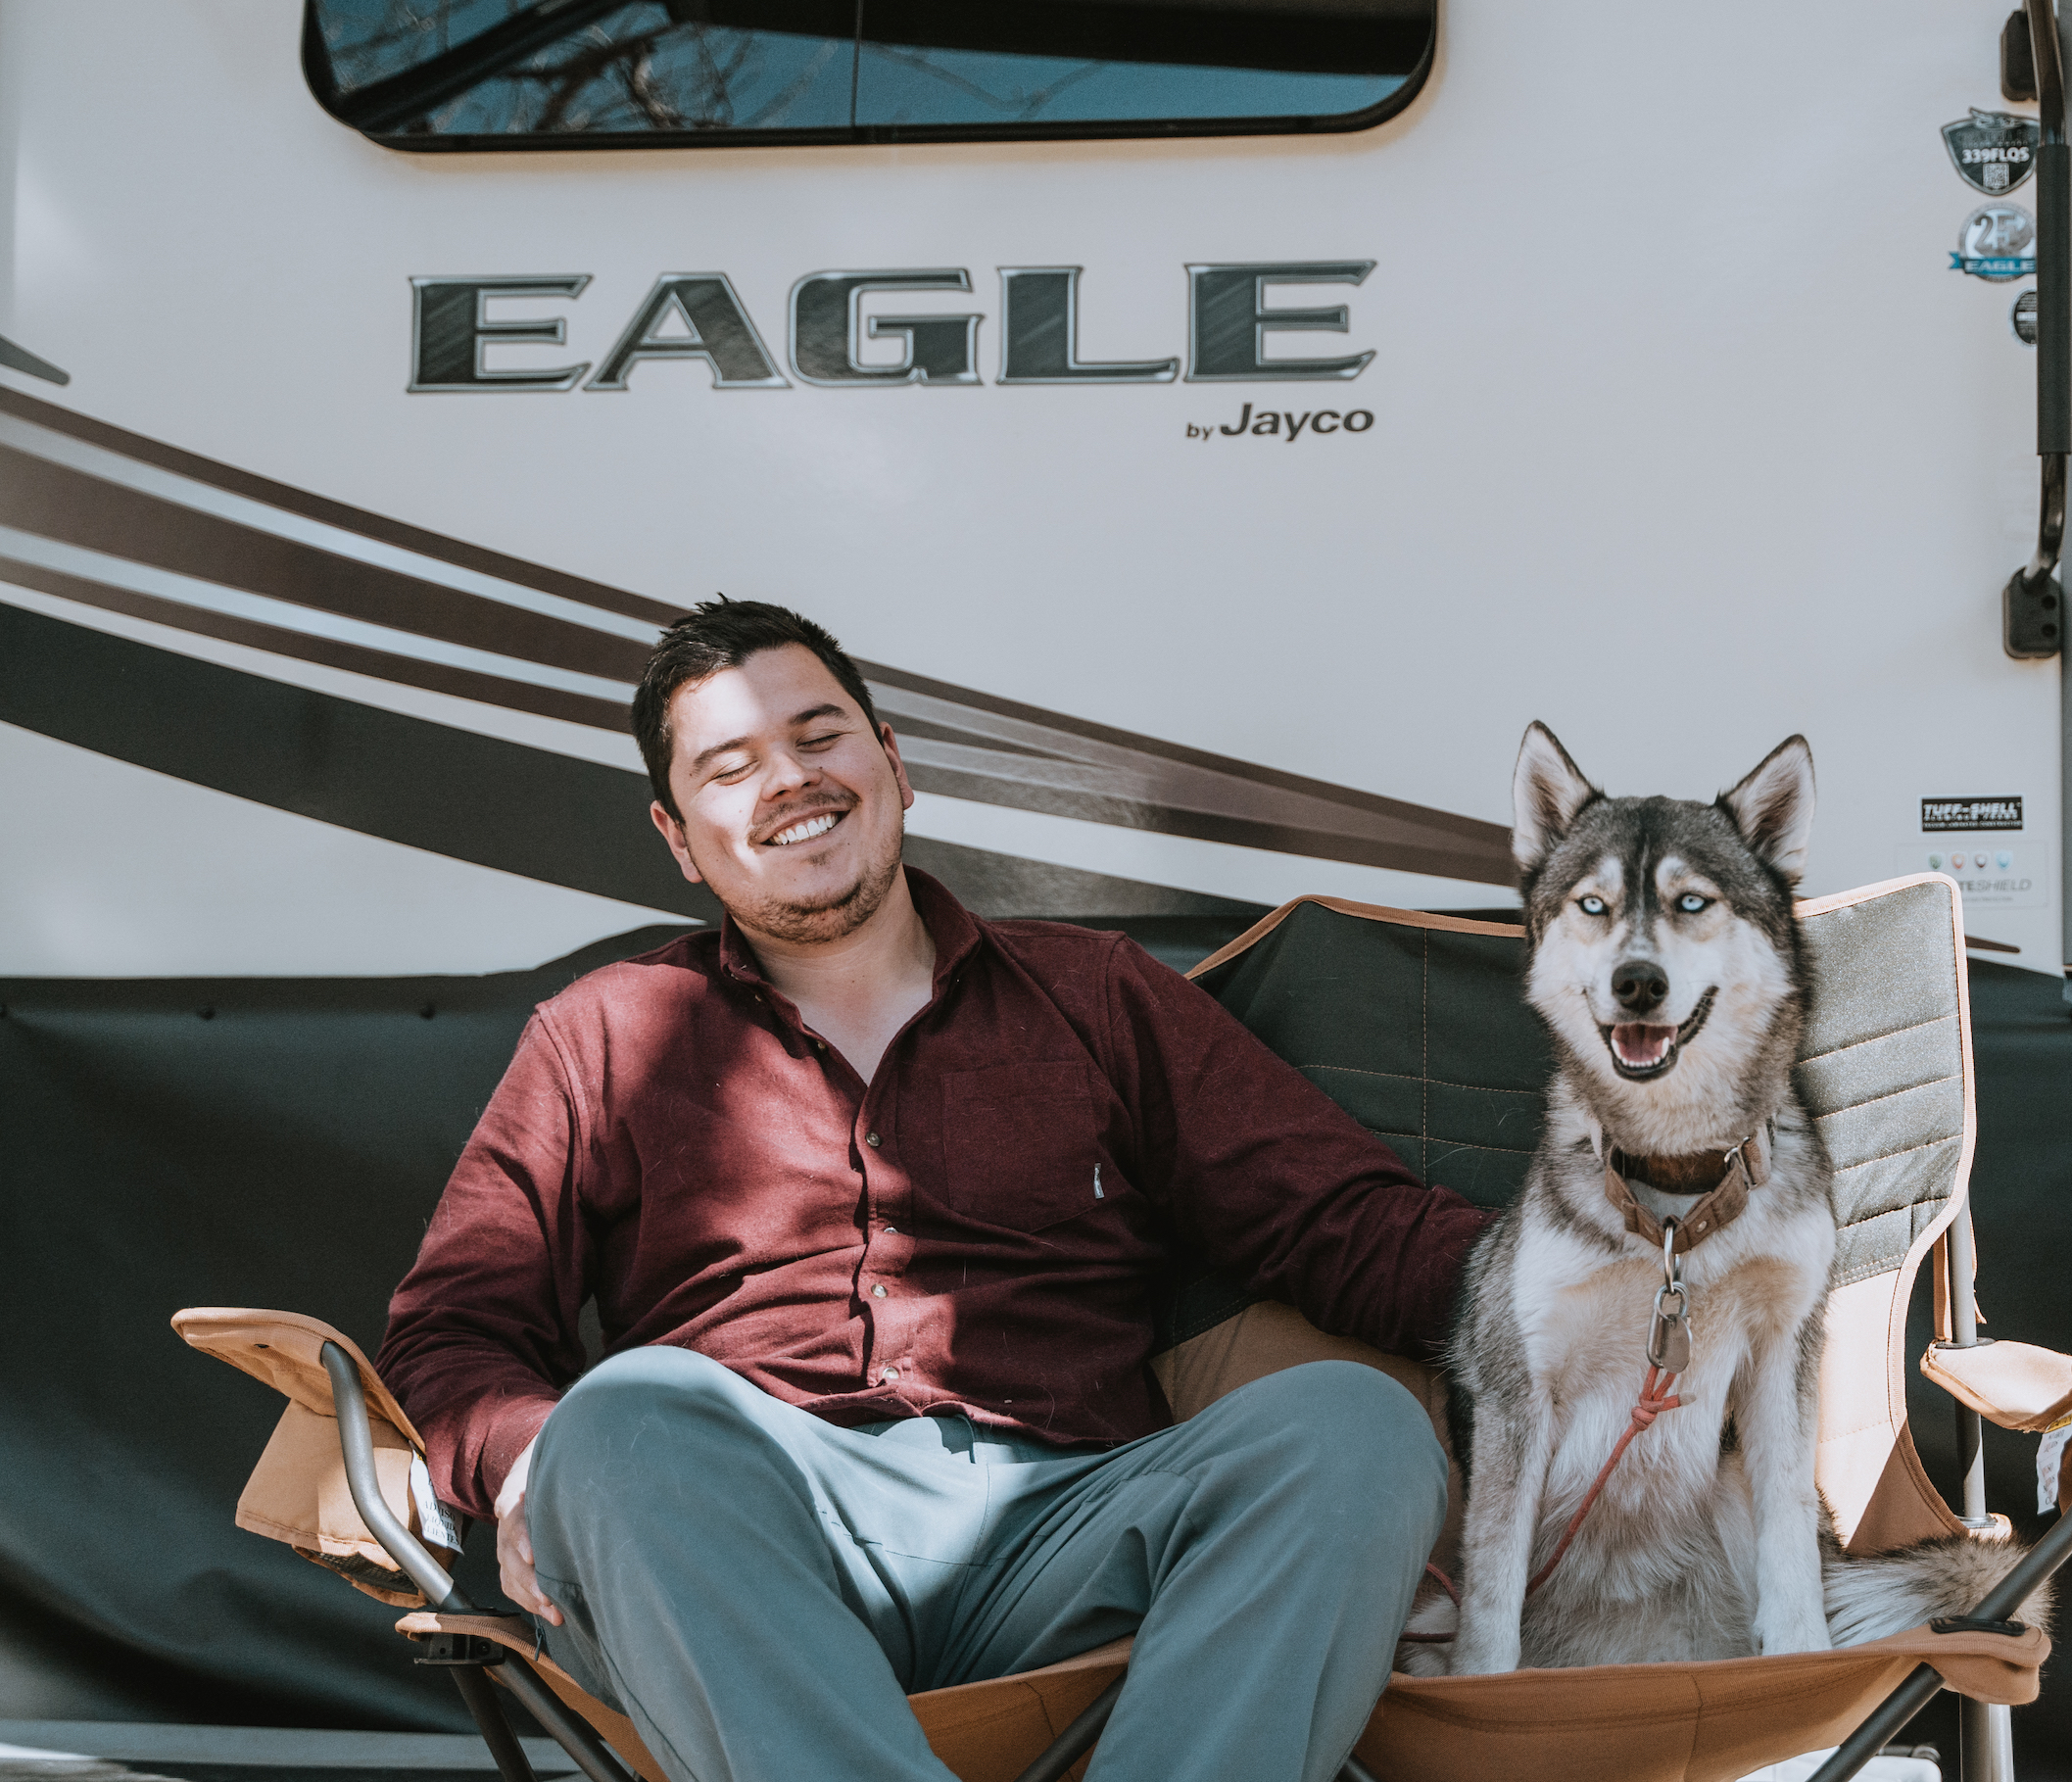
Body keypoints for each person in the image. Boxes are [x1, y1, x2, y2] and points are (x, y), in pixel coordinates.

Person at [377, 600, 1488, 1782]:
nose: (791, 781)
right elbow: (454, 1327)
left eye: (819, 736)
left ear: (895, 764)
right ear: (678, 836)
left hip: (1072, 1528)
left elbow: (1344, 1224)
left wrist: (1621, 1284)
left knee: (1355, 1427)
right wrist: (533, 1455)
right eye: (731, 766)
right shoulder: (604, 1033)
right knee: (620, 1414)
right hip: (746, 1545)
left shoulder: (1095, 995)